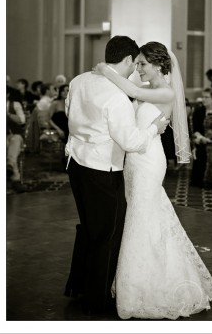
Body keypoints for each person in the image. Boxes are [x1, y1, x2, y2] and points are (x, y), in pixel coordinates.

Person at [94, 40, 212, 319]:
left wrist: (106, 69)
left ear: (158, 65)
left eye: (141, 63)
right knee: (143, 216)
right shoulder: (150, 89)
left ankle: (147, 288)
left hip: (149, 161)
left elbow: (128, 89)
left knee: (142, 216)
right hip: (134, 159)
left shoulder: (166, 92)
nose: (137, 68)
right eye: (137, 62)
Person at [64, 36, 170, 315]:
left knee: (87, 227)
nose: (136, 69)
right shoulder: (116, 95)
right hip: (103, 169)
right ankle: (95, 300)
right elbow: (131, 142)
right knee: (104, 235)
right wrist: (153, 130)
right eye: (134, 63)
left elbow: (68, 112)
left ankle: (78, 285)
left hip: (76, 164)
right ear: (125, 60)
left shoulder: (77, 81)